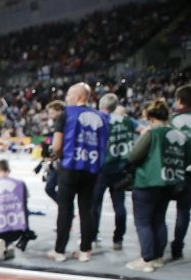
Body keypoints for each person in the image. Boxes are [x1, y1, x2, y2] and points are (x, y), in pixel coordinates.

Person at [124, 99, 191, 272]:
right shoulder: (180, 135)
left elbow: (133, 156)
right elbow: (187, 159)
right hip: (169, 183)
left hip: (147, 182)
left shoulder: (152, 133)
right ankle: (159, 257)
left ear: (151, 117)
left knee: (143, 222)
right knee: (159, 220)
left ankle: (147, 259)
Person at [46, 83, 109, 263]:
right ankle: (85, 250)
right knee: (86, 209)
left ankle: (59, 251)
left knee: (65, 209)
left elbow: (57, 145)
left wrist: (58, 156)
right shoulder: (102, 117)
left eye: (69, 94)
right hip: (91, 168)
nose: (67, 98)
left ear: (79, 97)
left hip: (70, 166)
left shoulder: (66, 114)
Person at [92, 95, 135, 250]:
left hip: (101, 169)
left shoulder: (99, 119)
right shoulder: (127, 121)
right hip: (120, 169)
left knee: (95, 205)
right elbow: (144, 131)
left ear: (101, 104)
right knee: (119, 206)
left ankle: (93, 236)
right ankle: (118, 240)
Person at [168, 83, 191, 261]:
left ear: (180, 101)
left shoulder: (173, 120)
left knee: (181, 210)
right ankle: (177, 246)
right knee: (184, 211)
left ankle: (175, 248)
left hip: (179, 171)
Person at [41, 100, 65, 204]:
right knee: (50, 188)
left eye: (51, 112)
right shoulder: (54, 124)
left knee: (58, 188)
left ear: (59, 111)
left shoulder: (65, 124)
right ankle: (65, 209)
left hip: (62, 161)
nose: (49, 115)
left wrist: (54, 156)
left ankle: (66, 210)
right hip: (55, 161)